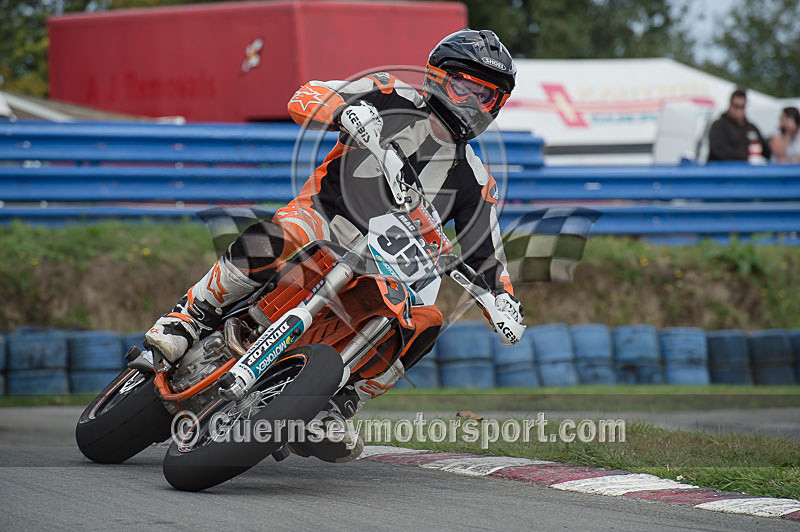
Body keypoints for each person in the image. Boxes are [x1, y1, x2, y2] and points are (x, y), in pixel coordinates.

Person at [144, 29, 525, 461]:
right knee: (282, 235)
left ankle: (339, 404)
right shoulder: (389, 93)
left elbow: (487, 252)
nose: (472, 102)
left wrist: (503, 301)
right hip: (324, 221)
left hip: (386, 269)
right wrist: (344, 112)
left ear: (497, 104)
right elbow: (306, 96)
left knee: (426, 320)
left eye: (485, 95)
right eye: (463, 86)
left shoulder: (477, 181)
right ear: (438, 77)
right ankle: (187, 318)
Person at [708, 88, 771, 162]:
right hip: (724, 167)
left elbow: (766, 151)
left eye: (742, 107)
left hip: (747, 167)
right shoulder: (718, 126)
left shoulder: (751, 128)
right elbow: (718, 151)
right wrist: (744, 157)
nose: (739, 110)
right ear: (730, 105)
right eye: (736, 106)